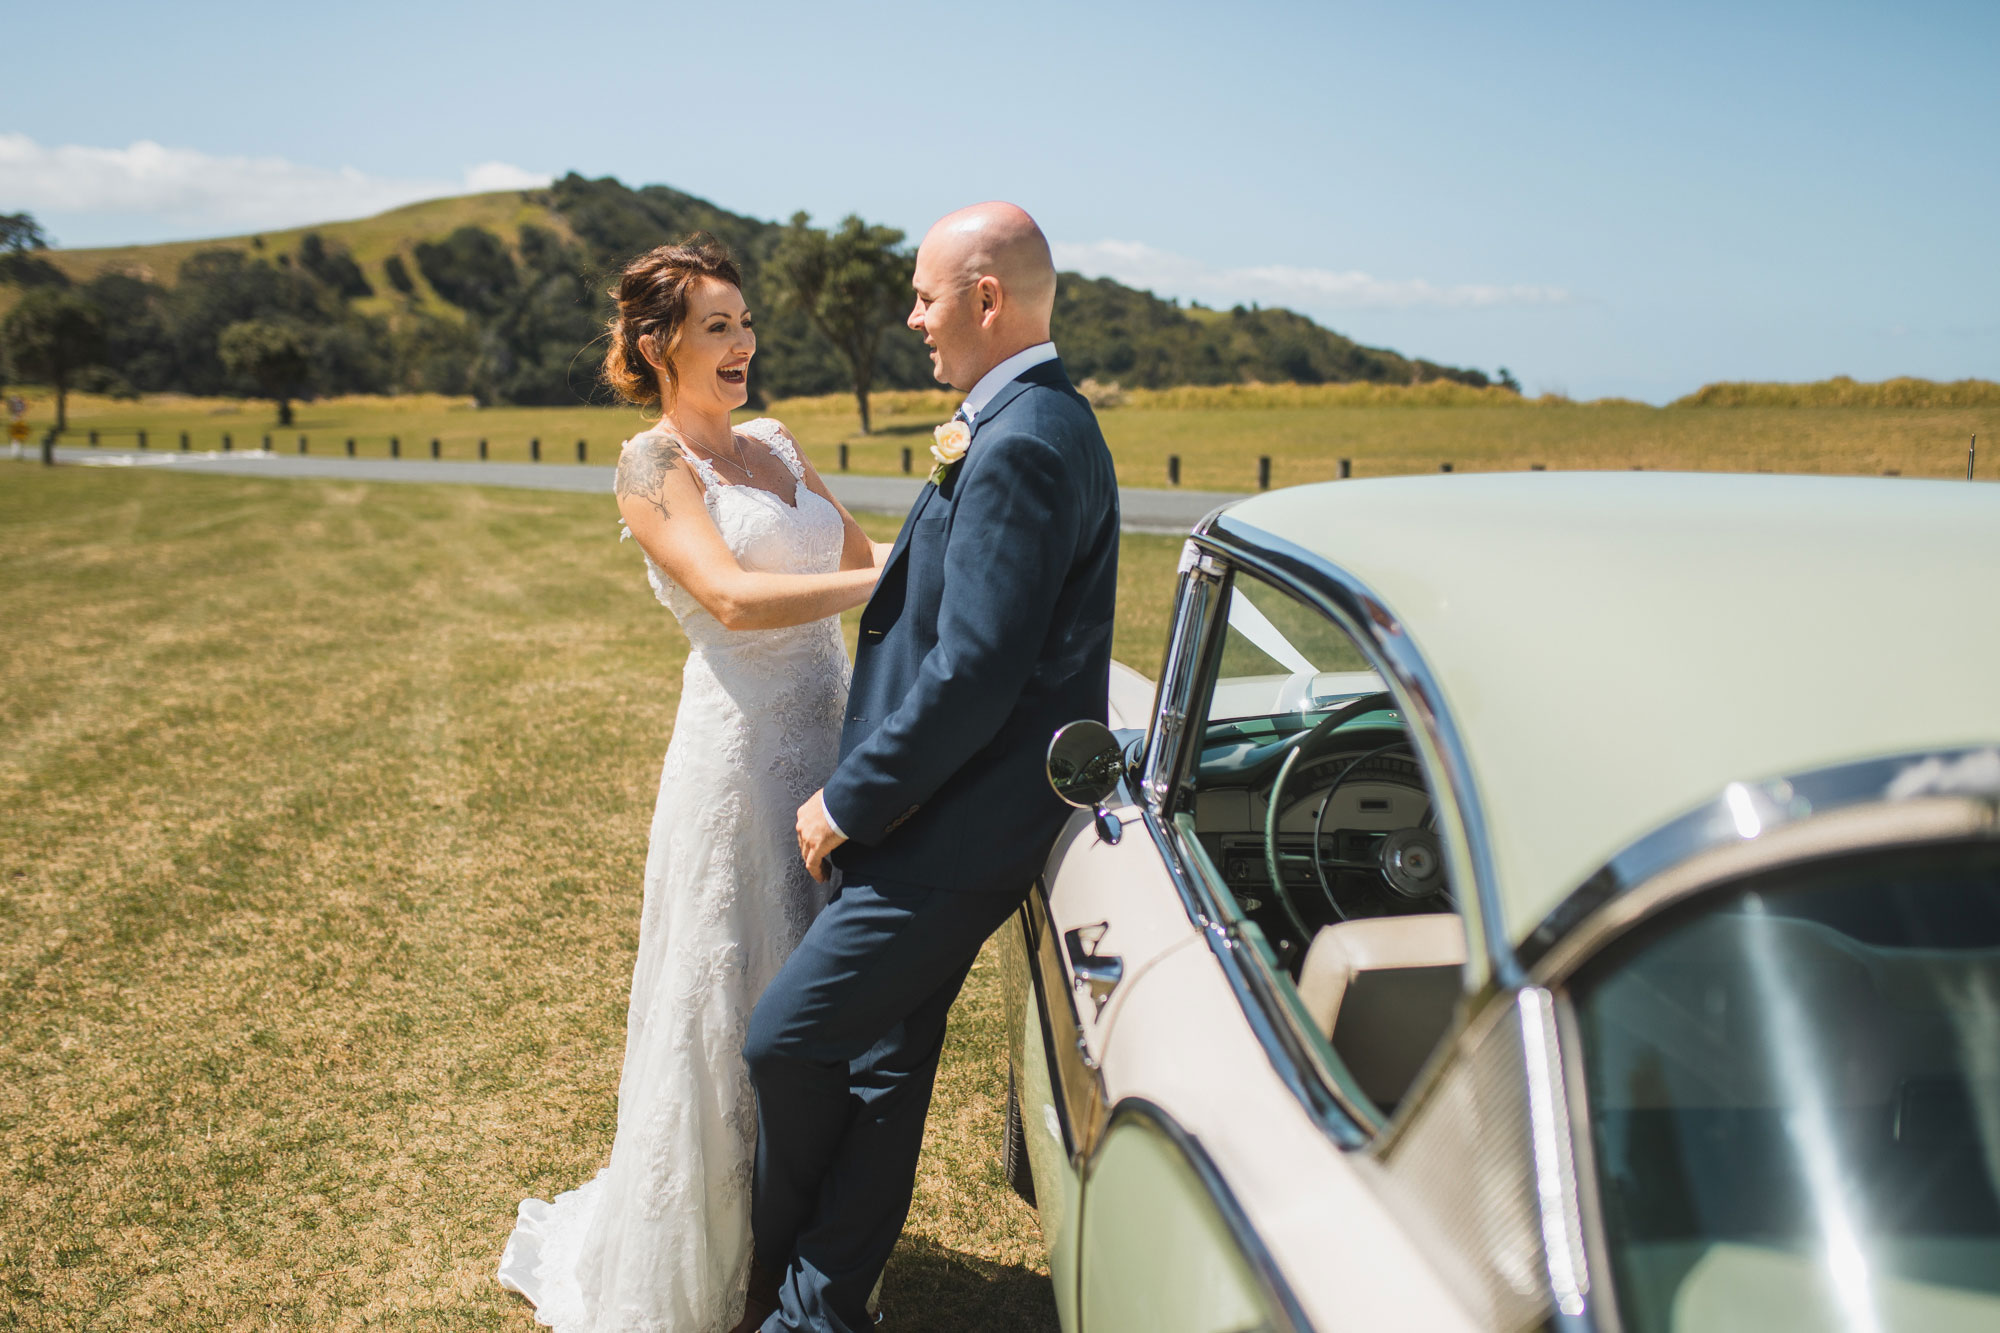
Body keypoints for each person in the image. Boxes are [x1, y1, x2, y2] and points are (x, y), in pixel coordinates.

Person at [497, 236, 886, 1333]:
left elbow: (855, 548)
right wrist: (893, 574)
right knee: (733, 1001)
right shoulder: (648, 466)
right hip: (738, 761)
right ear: (655, 344)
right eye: (717, 326)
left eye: (746, 322)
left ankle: (802, 1227)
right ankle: (717, 1254)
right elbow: (730, 598)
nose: (742, 344)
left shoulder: (775, 440)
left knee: (820, 999)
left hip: (833, 748)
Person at [742, 202, 1120, 1333]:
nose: (912, 317)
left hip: (950, 832)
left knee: (788, 1036)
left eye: (923, 295)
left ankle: (795, 1284)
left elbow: (974, 674)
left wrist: (849, 802)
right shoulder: (1027, 420)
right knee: (882, 1065)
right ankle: (815, 1308)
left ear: (986, 298)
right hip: (947, 814)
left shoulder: (1021, 443)